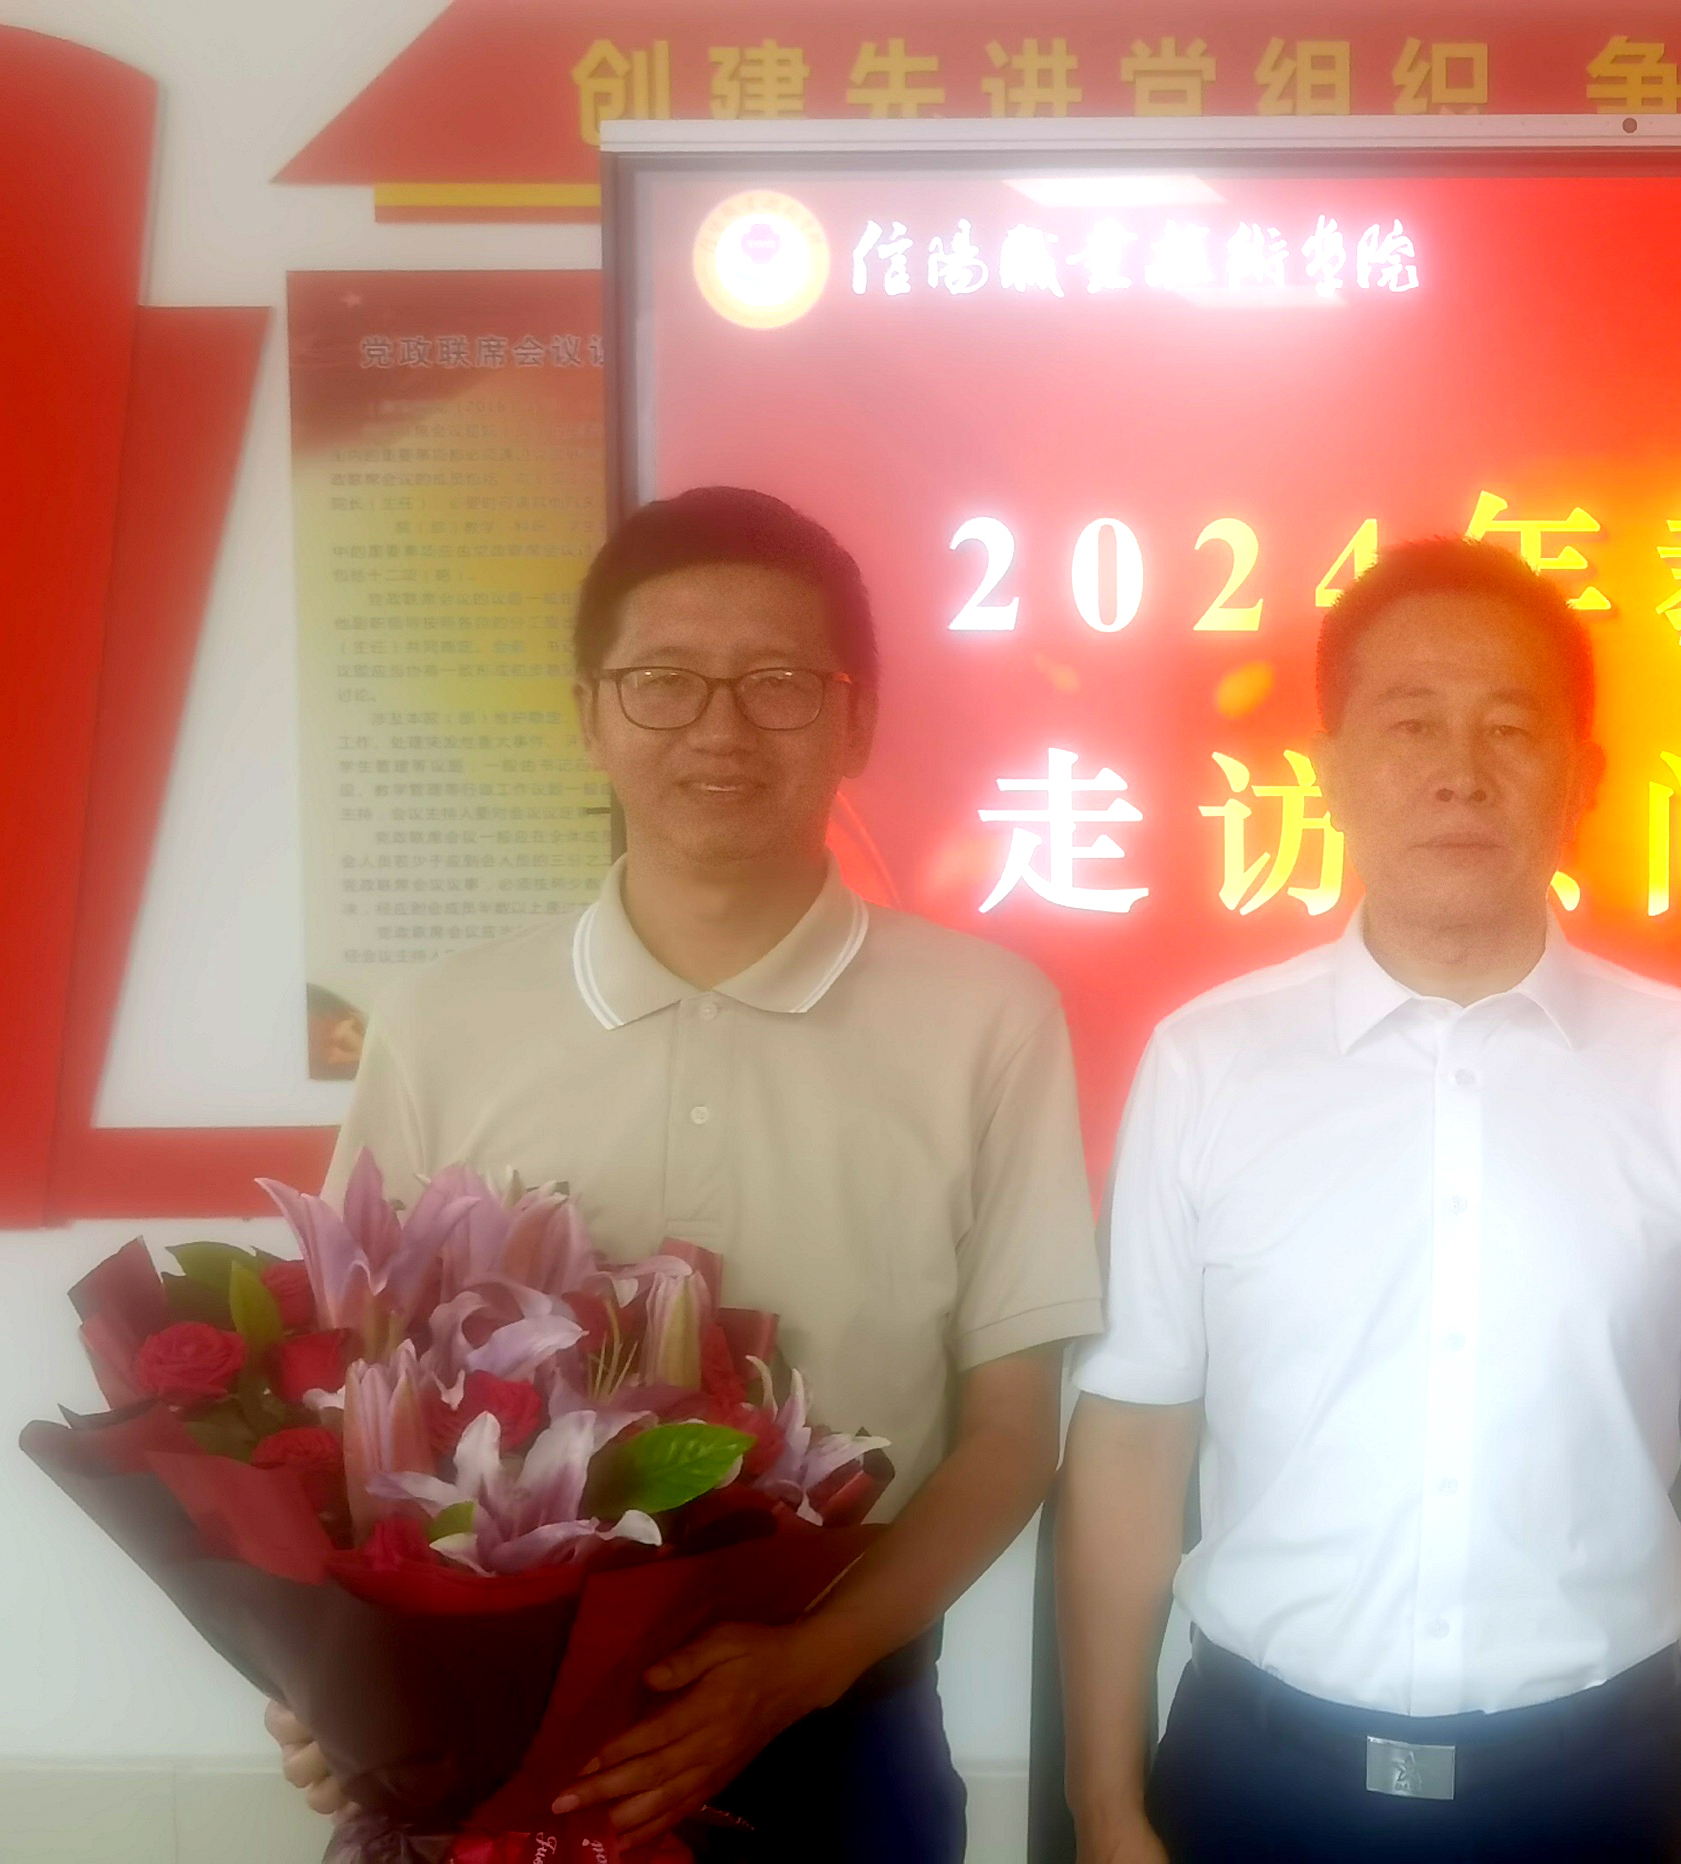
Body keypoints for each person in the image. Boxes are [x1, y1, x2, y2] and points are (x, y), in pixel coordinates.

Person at [264, 486, 1104, 1861]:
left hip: (846, 1724)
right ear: (590, 717)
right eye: (663, 682)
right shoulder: (442, 1021)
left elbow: (1012, 1429)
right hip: (491, 1736)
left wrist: (811, 1662)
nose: (720, 728)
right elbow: (346, 1399)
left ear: (856, 722)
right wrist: (328, 1672)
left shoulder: (986, 1018)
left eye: (779, 682)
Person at [1056, 537, 1681, 1864]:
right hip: (1254, 1778)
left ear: (1583, 779)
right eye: (1411, 722)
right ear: (1329, 770)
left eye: (1511, 728)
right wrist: (1105, 1806)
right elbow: (1132, 1444)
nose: (1461, 771)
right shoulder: (1206, 1062)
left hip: (1609, 1785)